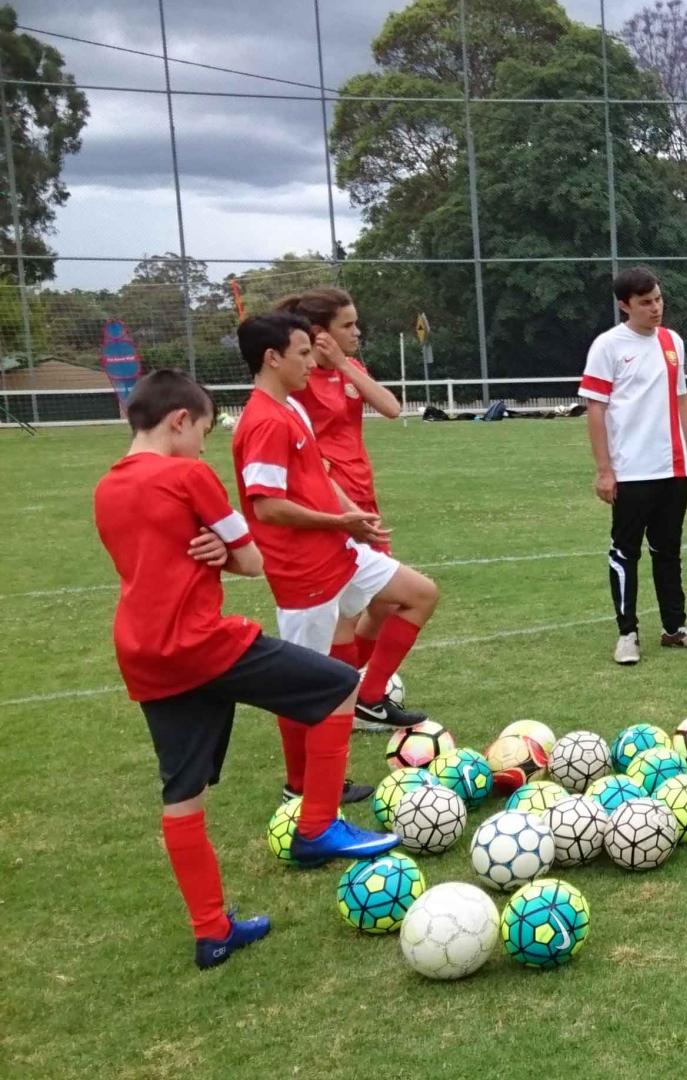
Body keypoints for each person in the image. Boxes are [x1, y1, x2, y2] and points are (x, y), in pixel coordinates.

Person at [92, 370, 397, 969]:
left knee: (184, 795)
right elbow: (252, 559)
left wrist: (208, 549)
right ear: (180, 420)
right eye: (203, 430)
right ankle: (317, 827)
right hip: (204, 642)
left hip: (143, 652)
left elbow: (156, 560)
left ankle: (212, 932)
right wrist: (222, 552)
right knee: (339, 686)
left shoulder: (106, 488)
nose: (204, 444)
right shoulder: (187, 475)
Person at [230, 313, 441, 770]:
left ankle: (368, 699)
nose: (311, 362)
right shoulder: (265, 421)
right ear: (272, 358)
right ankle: (301, 784)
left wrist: (350, 517)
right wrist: (337, 521)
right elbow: (266, 506)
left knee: (420, 594)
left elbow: (320, 475)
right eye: (302, 353)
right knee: (304, 685)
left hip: (339, 552)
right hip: (302, 569)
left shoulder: (291, 406)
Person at [275, 287, 412, 738]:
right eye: (347, 325)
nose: (357, 332)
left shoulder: (347, 369)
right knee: (351, 611)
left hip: (363, 497)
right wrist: (344, 508)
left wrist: (342, 364)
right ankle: (350, 702)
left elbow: (392, 408)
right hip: (334, 505)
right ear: (320, 334)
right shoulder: (298, 380)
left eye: (356, 323)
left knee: (387, 603)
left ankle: (355, 696)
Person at [579, 266, 687, 665]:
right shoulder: (607, 346)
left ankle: (675, 629)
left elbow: (681, 401)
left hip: (671, 468)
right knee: (625, 552)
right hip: (630, 471)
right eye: (646, 302)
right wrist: (604, 469)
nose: (656, 308)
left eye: (658, 299)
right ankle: (627, 634)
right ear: (625, 305)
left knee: (668, 551)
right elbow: (596, 409)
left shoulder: (671, 341)